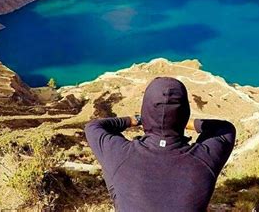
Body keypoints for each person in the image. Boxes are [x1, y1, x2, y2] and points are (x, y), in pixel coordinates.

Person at [85, 76, 236, 212]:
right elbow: (225, 128)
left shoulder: (120, 154)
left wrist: (136, 120)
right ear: (185, 113)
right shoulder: (205, 158)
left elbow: (94, 127)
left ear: (146, 111)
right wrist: (182, 123)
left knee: (111, 167)